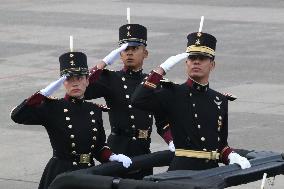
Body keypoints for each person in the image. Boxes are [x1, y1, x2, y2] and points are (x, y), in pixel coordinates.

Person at [10, 51, 132, 189]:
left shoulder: (94, 109)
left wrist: (111, 156)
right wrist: (42, 94)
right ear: (63, 83)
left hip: (87, 173)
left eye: (79, 78)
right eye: (69, 79)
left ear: (87, 81)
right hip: (61, 174)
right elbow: (17, 116)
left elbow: (98, 147)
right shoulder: (53, 107)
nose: (75, 83)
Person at [131, 31, 251, 171]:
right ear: (186, 63)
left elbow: (220, 145)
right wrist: (161, 70)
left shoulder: (219, 100)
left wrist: (231, 155)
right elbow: (138, 100)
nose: (196, 61)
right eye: (192, 57)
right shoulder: (173, 93)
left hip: (211, 173)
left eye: (202, 58)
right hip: (183, 172)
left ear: (212, 65)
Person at [84, 23, 174, 179]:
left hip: (142, 149)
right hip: (117, 148)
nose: (129, 53)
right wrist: (102, 63)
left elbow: (162, 122)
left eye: (134, 49)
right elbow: (84, 89)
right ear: (120, 54)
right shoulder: (111, 78)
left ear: (145, 53)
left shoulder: (153, 83)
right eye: (125, 49)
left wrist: (172, 141)